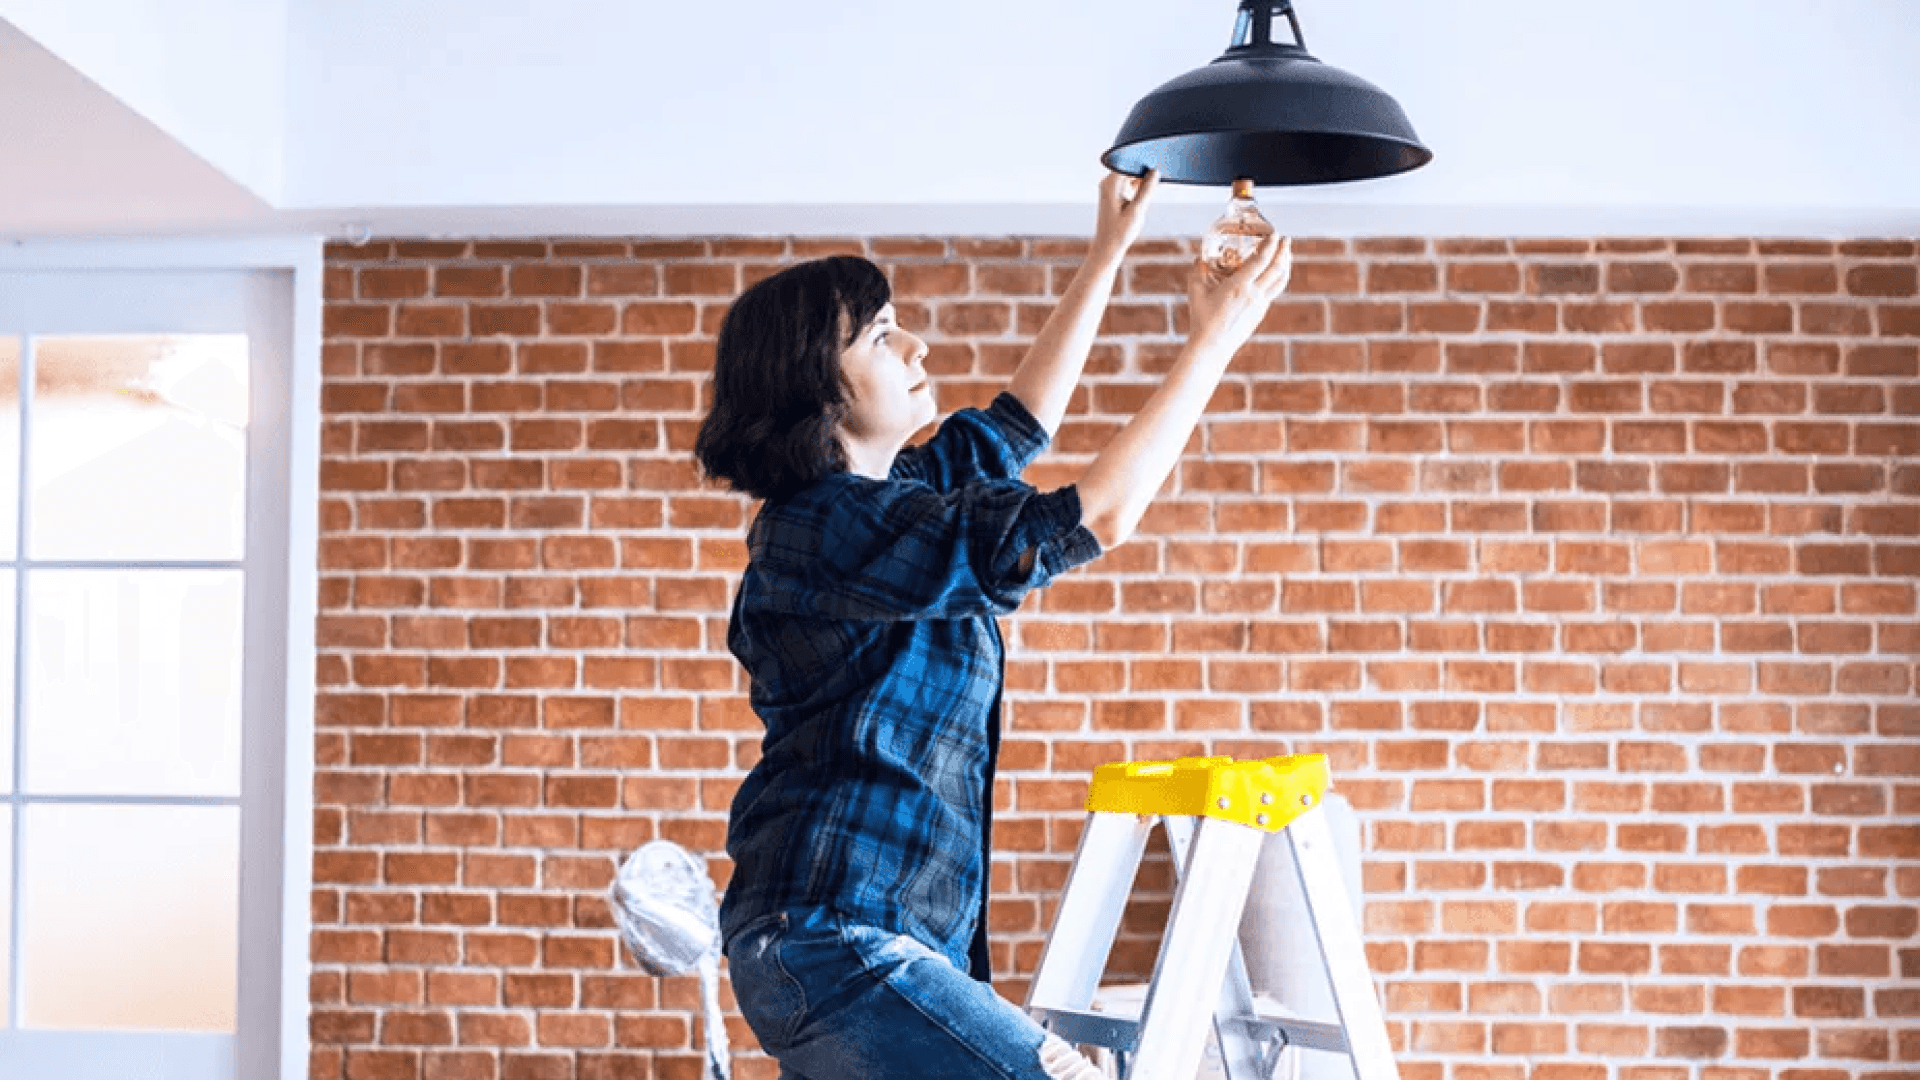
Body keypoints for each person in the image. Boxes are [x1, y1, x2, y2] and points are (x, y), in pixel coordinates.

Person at [692, 168, 1293, 1080]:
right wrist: (1213, 344)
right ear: (818, 383)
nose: (917, 347)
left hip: (858, 945)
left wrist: (1109, 254)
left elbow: (1018, 426)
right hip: (836, 938)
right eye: (885, 335)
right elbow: (1095, 516)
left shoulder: (892, 497)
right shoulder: (821, 526)